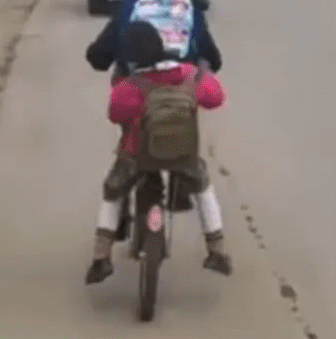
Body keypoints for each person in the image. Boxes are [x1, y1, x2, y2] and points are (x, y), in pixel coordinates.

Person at [85, 19, 230, 284]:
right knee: (203, 187)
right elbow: (216, 98)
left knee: (113, 192)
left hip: (136, 155)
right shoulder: (189, 76)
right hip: (183, 155)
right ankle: (217, 249)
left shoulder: (130, 86)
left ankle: (101, 257)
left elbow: (114, 113)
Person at [86, 0, 222, 81]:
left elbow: (100, 55)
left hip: (137, 86)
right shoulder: (189, 4)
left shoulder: (131, 3)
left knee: (121, 84)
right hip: (183, 85)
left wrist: (102, 57)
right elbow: (213, 58)